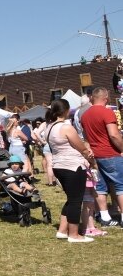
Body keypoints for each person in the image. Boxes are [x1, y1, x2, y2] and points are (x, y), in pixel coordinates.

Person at [47, 99, 95, 242]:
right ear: (66, 110)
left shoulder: (49, 127)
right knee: (76, 200)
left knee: (71, 199)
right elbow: (81, 147)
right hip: (72, 166)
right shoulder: (66, 127)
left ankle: (62, 230)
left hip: (58, 165)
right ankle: (74, 235)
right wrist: (91, 159)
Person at [79, 87, 123, 227]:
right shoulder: (107, 112)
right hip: (111, 154)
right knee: (120, 186)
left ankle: (104, 217)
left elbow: (85, 138)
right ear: (106, 97)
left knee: (100, 187)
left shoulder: (84, 115)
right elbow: (114, 135)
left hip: (95, 155)